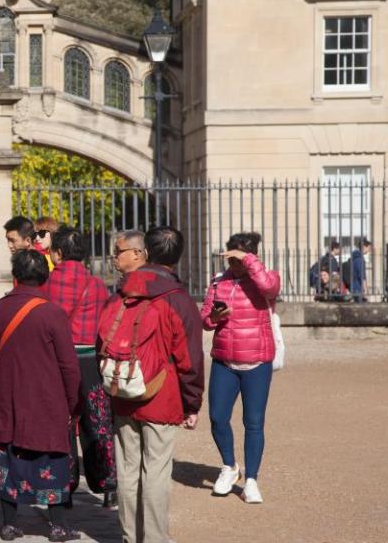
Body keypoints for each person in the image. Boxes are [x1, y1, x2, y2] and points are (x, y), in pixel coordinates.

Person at [96, 226, 204, 543]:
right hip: (162, 392)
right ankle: (155, 538)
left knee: (128, 470)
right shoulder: (178, 299)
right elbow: (189, 359)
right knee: (155, 470)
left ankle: (131, 536)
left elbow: (102, 339)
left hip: (122, 388)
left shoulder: (120, 294)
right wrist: (192, 402)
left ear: (148, 253)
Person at [0, 250, 81, 542]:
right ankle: (58, 525)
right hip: (46, 400)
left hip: (7, 396)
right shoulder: (53, 312)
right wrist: (73, 402)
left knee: (5, 457)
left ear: (16, 275)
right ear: (45, 277)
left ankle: (9, 524)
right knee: (51, 459)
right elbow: (69, 366)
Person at [202, 232, 280, 504]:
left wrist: (248, 261)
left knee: (254, 423)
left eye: (239, 259)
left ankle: (251, 480)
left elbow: (269, 288)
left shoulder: (266, 277)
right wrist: (214, 317)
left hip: (257, 360)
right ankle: (229, 466)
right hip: (225, 359)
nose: (233, 265)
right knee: (217, 417)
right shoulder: (217, 282)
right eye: (231, 258)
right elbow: (205, 320)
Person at [44, 227, 117, 505]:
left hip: (57, 362)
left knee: (63, 423)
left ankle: (66, 484)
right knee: (98, 422)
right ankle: (107, 481)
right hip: (89, 360)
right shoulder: (96, 284)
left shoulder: (47, 284)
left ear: (58, 253)